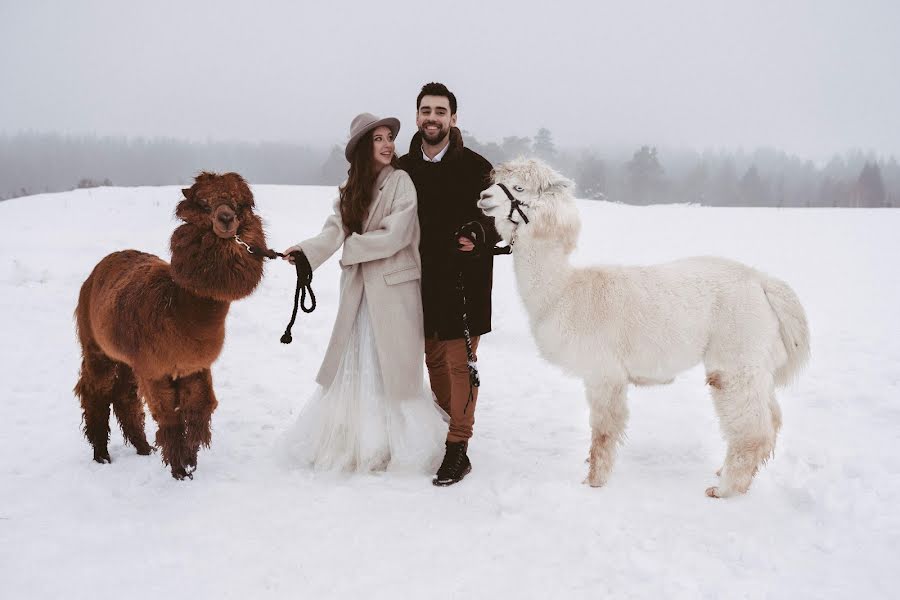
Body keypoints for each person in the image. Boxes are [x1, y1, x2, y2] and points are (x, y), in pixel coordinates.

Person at [278, 113, 447, 473]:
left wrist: (352, 249)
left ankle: (397, 444)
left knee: (394, 369)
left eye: (390, 137)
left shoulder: (402, 182)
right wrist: (307, 253)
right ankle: (357, 439)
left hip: (393, 289)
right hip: (358, 293)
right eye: (378, 139)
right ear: (362, 148)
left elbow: (397, 234)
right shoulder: (349, 189)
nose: (388, 144)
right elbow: (332, 231)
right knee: (356, 363)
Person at [398, 83, 500, 486]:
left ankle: (458, 446)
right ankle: (449, 421)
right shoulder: (403, 170)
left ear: (453, 119)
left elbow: (497, 218)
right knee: (433, 361)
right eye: (426, 110)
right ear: (417, 117)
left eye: (441, 111)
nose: (433, 117)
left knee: (462, 366)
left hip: (465, 284)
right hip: (418, 282)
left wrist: (479, 232)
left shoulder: (478, 167)